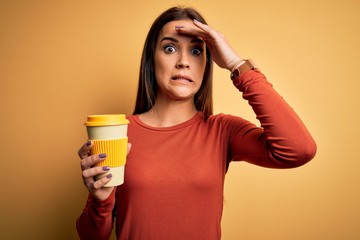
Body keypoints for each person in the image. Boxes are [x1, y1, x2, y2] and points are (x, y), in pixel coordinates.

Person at [76, 6, 316, 240]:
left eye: (196, 51)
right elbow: (91, 237)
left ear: (207, 64)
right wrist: (101, 200)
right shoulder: (118, 133)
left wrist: (236, 64)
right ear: (152, 58)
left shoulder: (222, 131)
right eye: (169, 48)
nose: (183, 61)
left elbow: (299, 150)